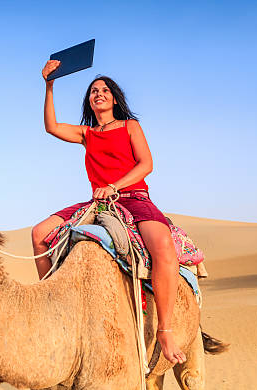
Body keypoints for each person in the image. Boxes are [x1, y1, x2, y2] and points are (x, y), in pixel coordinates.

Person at [31, 60, 186, 365]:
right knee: (38, 234)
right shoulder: (87, 134)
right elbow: (51, 127)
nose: (98, 93)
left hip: (132, 196)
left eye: (104, 90)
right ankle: (52, 305)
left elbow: (146, 164)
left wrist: (115, 186)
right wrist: (49, 85)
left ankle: (165, 330)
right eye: (93, 91)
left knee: (164, 248)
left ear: (114, 98)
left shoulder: (130, 126)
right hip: (97, 201)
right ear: (89, 101)